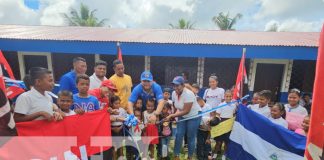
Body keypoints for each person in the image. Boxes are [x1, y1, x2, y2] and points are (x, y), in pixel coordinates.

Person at [165, 76, 201, 160]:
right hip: (182, 115)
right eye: (174, 85)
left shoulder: (189, 94)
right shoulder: (174, 93)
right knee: (178, 135)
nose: (175, 87)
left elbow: (186, 111)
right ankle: (176, 156)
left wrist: (172, 116)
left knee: (190, 137)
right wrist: (173, 116)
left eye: (177, 85)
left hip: (194, 116)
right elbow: (175, 105)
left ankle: (190, 157)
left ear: (183, 85)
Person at [214, 90, 237, 160]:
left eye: (230, 96)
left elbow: (233, 115)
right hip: (221, 123)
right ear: (224, 97)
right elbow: (217, 115)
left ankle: (224, 154)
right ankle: (215, 154)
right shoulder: (221, 105)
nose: (228, 98)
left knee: (227, 142)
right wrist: (219, 123)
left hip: (229, 124)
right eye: (227, 96)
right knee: (218, 141)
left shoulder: (234, 105)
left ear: (232, 97)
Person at [110, 95, 127, 160]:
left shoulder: (122, 110)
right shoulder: (110, 111)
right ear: (111, 103)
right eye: (116, 103)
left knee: (120, 146)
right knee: (113, 148)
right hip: (112, 130)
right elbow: (107, 121)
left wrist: (120, 128)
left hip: (120, 129)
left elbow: (125, 120)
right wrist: (112, 129)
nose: (118, 105)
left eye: (119, 103)